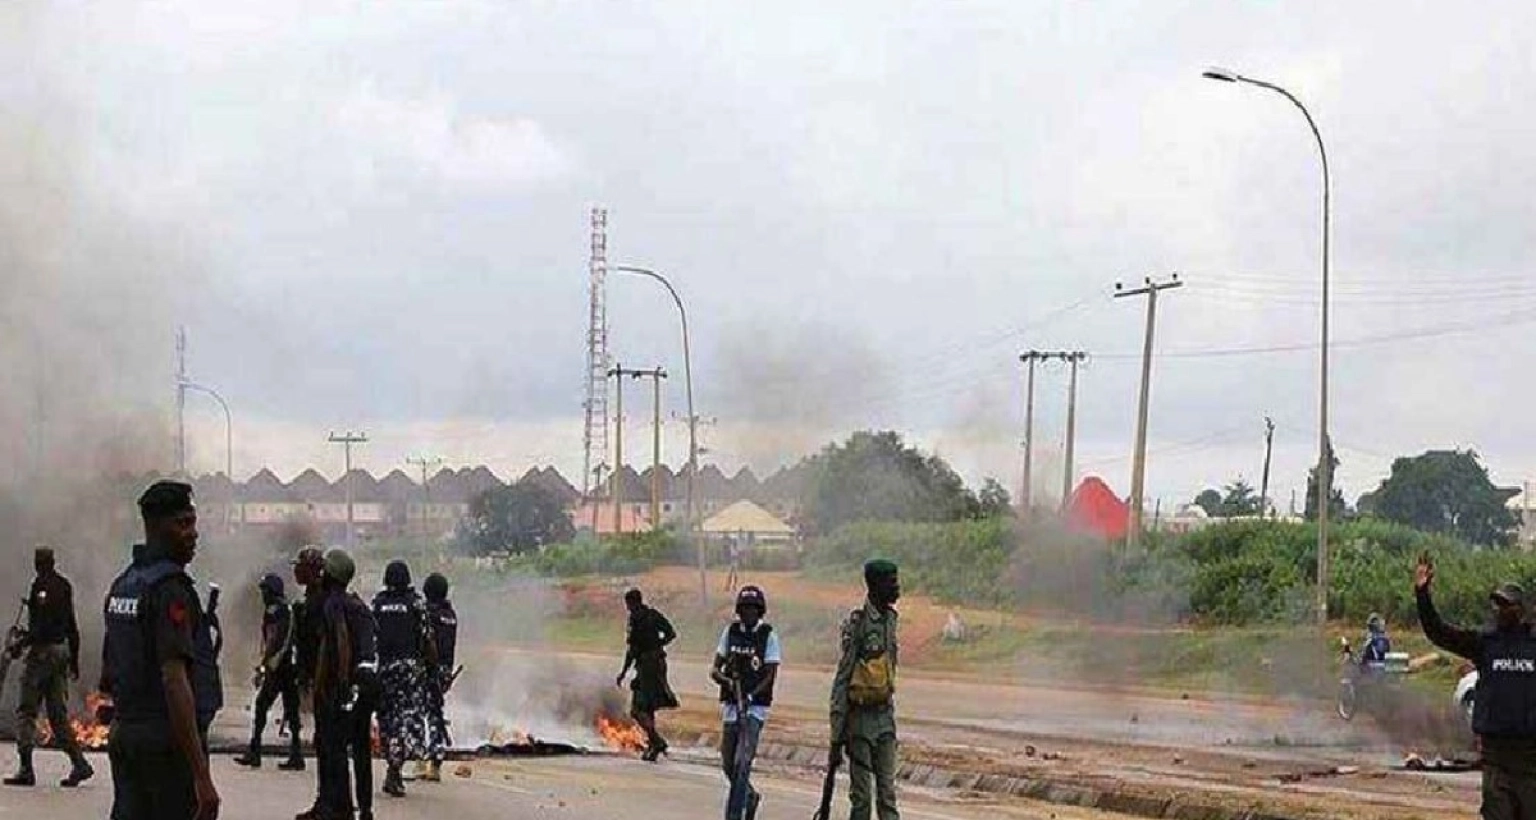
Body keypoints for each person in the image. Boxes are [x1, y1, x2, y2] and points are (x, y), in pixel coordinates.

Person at [102, 480, 220, 820]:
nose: (193, 533)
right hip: (166, 743)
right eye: (183, 524)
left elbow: (109, 672)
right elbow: (174, 678)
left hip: (127, 736)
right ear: (156, 528)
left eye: (193, 523)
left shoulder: (125, 584)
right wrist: (201, 775)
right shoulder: (170, 590)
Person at [1415, 553, 1536, 820]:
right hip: (1496, 758)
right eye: (1497, 605)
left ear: (1521, 610)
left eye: (1506, 605)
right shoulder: (1486, 643)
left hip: (1531, 761)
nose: (1500, 610)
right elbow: (1439, 632)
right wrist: (1422, 594)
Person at [4, 546, 93, 788]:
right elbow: (71, 625)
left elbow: (41, 628)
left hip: (43, 654)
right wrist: (74, 659)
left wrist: (20, 643)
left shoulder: (41, 587)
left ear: (39, 563)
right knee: (57, 715)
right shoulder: (64, 586)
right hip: (61, 653)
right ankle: (80, 764)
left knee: (26, 710)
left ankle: (25, 769)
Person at [300, 548, 378, 820]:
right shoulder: (359, 604)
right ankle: (364, 809)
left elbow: (338, 642)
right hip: (367, 685)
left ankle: (335, 808)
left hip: (344, 685)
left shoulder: (333, 603)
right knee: (361, 749)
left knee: (333, 748)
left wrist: (327, 685)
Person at [830, 559, 902, 820]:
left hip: (885, 719)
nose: (896, 588)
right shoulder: (858, 624)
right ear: (874, 585)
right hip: (859, 722)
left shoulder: (891, 620)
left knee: (888, 795)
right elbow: (843, 676)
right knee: (861, 800)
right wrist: (837, 731)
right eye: (890, 583)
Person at [710, 585, 779, 820]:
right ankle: (749, 796)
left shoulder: (768, 635)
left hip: (755, 708)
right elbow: (714, 670)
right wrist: (728, 681)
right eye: (745, 609)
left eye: (753, 609)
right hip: (731, 706)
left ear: (760, 611)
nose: (749, 613)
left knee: (742, 762)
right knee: (729, 762)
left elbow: (770, 675)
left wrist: (750, 696)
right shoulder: (730, 633)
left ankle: (733, 815)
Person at [371, 560, 435, 797]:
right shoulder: (416, 603)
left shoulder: (378, 603)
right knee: (409, 721)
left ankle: (393, 766)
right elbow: (427, 639)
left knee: (388, 720)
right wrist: (432, 672)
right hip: (409, 671)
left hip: (385, 669)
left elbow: (371, 638)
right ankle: (396, 768)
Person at [236, 573, 304, 770]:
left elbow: (278, 640)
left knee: (264, 706)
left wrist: (266, 665)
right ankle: (293, 753)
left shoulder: (279, 610)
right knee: (287, 710)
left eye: (265, 590)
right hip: (285, 666)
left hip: (282, 667)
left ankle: (258, 751)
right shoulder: (280, 610)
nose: (263, 594)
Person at [615, 588, 678, 761]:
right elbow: (671, 634)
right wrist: (658, 645)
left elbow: (632, 649)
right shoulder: (653, 614)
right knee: (648, 706)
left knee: (637, 709)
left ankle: (657, 741)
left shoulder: (635, 619)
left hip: (646, 667)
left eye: (628, 604)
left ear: (632, 602)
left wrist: (623, 672)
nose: (627, 608)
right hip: (659, 663)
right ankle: (652, 745)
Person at [421, 572, 458, 783]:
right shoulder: (450, 615)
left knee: (420, 714)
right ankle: (434, 762)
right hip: (444, 671)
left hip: (428, 670)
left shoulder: (428, 614)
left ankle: (423, 760)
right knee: (435, 712)